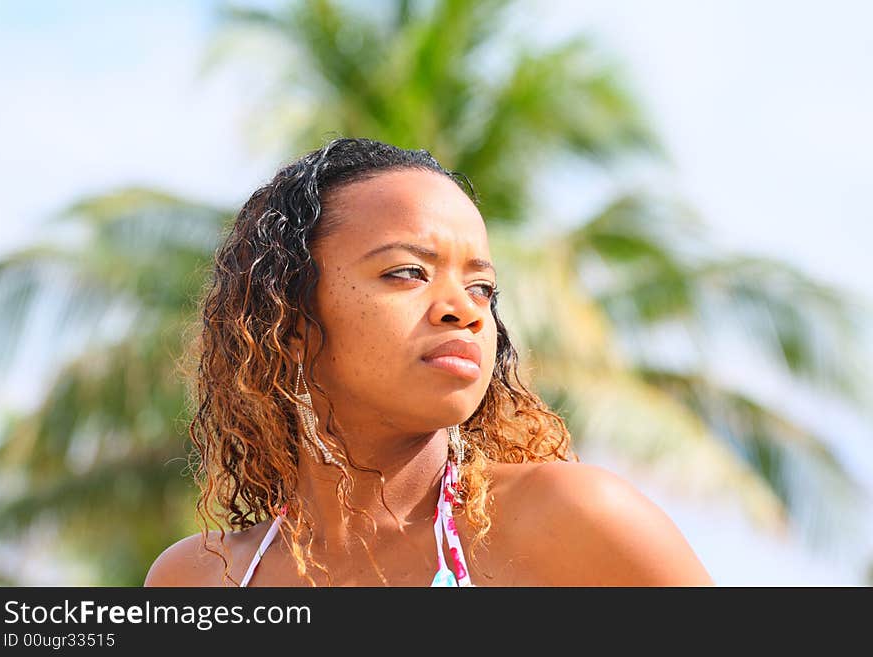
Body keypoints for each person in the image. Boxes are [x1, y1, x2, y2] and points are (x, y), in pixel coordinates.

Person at [144, 137, 714, 587]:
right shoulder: (201, 580)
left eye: (482, 286)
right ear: (289, 321)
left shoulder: (572, 521)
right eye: (407, 272)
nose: (463, 309)